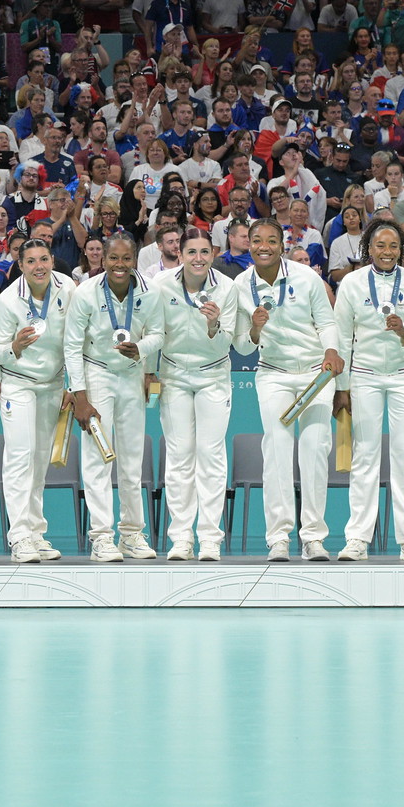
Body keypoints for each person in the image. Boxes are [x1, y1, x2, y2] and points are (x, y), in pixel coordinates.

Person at [234, 217, 342, 561]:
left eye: (271, 240)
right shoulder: (239, 285)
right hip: (273, 374)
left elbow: (326, 321)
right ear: (248, 244)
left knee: (313, 448)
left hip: (314, 373)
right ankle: (278, 537)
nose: (263, 246)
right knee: (277, 448)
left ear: (281, 245)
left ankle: (313, 537)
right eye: (257, 240)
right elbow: (243, 346)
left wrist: (330, 350)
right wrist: (253, 329)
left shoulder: (306, 277)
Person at [332, 218, 404, 561]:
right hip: (364, 376)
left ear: (402, 250)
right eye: (380, 245)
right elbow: (342, 338)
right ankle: (357, 539)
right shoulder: (351, 283)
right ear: (368, 248)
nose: (387, 252)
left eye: (394, 246)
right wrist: (341, 387)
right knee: (365, 456)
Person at [64, 233, 165, 562]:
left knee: (132, 458)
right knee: (97, 458)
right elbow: (71, 345)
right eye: (113, 259)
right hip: (97, 374)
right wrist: (80, 396)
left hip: (131, 374)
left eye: (126, 259)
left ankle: (132, 534)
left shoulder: (150, 293)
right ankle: (102, 538)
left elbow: (158, 334)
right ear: (102, 260)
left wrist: (143, 351)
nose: (119, 265)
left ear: (135, 260)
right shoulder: (86, 293)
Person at [0, 236, 76, 563]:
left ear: (52, 260)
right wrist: (15, 348)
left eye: (44, 259)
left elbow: (77, 339)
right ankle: (19, 536)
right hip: (18, 383)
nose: (39, 266)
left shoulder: (68, 289)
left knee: (39, 462)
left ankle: (36, 532)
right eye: (31, 261)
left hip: (52, 384)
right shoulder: (8, 302)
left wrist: (72, 384)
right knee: (20, 457)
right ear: (20, 266)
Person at [151, 230, 238, 560]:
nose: (198, 258)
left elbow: (227, 343)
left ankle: (210, 539)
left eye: (204, 252)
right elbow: (151, 330)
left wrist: (214, 325)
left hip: (213, 375)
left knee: (211, 456)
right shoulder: (160, 284)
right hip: (173, 375)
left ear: (213, 253)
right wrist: (148, 370)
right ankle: (181, 538)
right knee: (179, 457)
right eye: (192, 252)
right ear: (180, 254)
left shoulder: (226, 289)